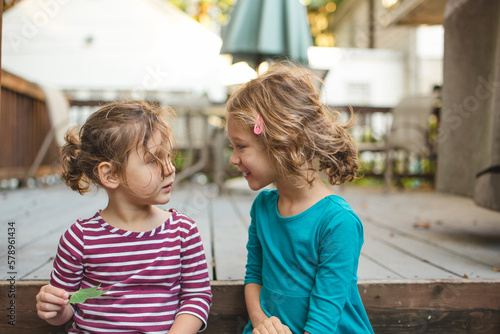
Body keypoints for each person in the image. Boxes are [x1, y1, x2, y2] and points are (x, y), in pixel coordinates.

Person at [35, 101, 212, 333]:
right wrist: (56, 309)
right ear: (110, 174)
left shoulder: (183, 232)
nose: (170, 168)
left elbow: (196, 296)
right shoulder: (80, 239)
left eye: (168, 156)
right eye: (153, 159)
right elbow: (72, 302)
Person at [226, 63, 374, 334]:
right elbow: (254, 275)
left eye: (241, 146)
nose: (233, 159)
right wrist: (260, 322)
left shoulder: (338, 222)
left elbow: (323, 322)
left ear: (283, 141)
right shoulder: (263, 208)